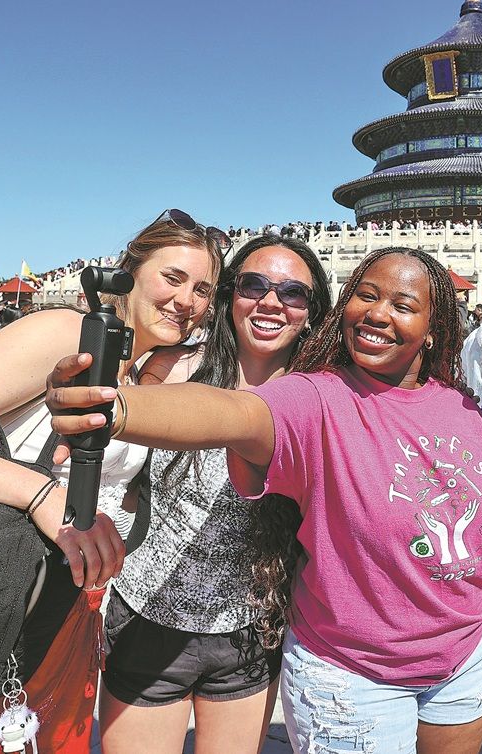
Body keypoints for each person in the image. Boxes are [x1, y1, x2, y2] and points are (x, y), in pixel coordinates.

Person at [49, 247, 482, 754]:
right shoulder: (314, 396)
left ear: (434, 327)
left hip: (459, 662)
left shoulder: (463, 405)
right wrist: (116, 408)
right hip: (353, 676)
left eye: (403, 305)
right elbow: (234, 414)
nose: (379, 313)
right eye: (367, 295)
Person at [0, 210, 227, 754]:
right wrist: (40, 494)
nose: (186, 301)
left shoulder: (153, 367)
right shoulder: (62, 333)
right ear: (130, 271)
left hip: (62, 607)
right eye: (172, 278)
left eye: (202, 290)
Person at [100, 235, 330, 754]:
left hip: (248, 631)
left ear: (312, 313)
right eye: (255, 285)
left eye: (293, 293)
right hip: (148, 618)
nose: (271, 302)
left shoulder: (319, 396)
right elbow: (114, 471)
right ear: (231, 297)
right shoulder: (172, 368)